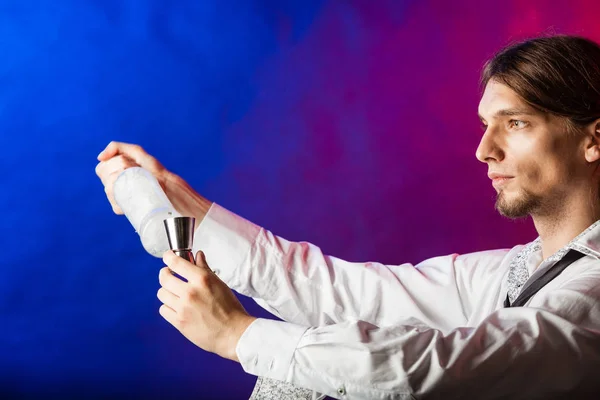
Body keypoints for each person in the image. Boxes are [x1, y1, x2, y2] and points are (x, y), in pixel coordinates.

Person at [95, 35, 600, 399]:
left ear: (593, 139)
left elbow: (431, 370)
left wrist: (237, 335)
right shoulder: (510, 271)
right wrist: (178, 201)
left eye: (516, 123)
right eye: (486, 125)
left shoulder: (591, 291)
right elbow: (335, 290)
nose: (484, 150)